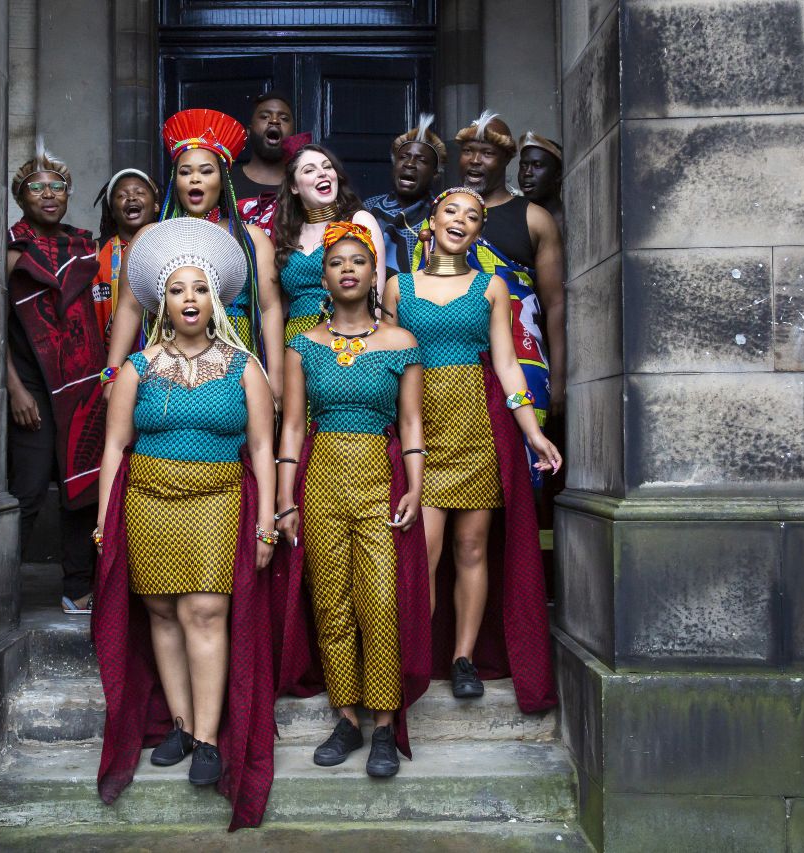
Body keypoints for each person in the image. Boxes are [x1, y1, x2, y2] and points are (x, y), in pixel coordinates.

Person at [92, 217, 276, 830]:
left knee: (205, 611)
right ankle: (176, 722)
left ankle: (206, 738)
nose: (189, 299)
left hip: (218, 498)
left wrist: (267, 525)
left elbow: (260, 448)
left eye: (199, 289)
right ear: (162, 303)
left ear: (215, 299)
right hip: (146, 499)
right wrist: (103, 522)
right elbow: (115, 447)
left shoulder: (245, 366)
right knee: (163, 612)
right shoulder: (138, 369)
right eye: (177, 290)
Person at [384, 187, 560, 713]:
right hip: (419, 429)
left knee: (473, 549)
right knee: (424, 550)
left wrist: (532, 432)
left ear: (480, 232)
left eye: (473, 216)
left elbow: (507, 365)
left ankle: (462, 658)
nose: (461, 219)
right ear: (431, 221)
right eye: (451, 211)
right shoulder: (397, 287)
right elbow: (386, 359)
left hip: (475, 427)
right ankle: (413, 655)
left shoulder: (492, 287)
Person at [275, 221, 430, 778]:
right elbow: (292, 427)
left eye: (357, 261)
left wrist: (415, 485)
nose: (347, 268)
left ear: (373, 274)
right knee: (332, 602)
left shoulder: (401, 343)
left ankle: (384, 724)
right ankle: (345, 718)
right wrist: (286, 500)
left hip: (379, 474)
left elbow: (412, 423)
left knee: (380, 602)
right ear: (324, 276)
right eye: (336, 261)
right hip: (319, 478)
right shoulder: (303, 344)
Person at [104, 108, 284, 404]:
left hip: (236, 360)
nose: (195, 179)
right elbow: (130, 307)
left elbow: (269, 308)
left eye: (206, 171)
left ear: (223, 179)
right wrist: (112, 374)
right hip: (166, 358)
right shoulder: (150, 237)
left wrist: (274, 377)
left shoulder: (251, 239)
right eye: (185, 172)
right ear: (176, 181)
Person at [5, 146, 105, 616]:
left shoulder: (85, 246)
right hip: (32, 384)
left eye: (57, 187)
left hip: (81, 384)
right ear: (21, 197)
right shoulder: (10, 251)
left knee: (81, 486)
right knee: (27, 491)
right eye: (37, 188)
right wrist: (15, 389)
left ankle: (77, 586)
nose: (49, 195)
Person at [453, 110, 566, 421]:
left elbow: (555, 303)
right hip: (454, 364)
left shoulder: (534, 219)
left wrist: (558, 379)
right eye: (468, 152)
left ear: (506, 160)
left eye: (487, 153)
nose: (475, 160)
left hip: (523, 359)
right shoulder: (441, 219)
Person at [274, 144, 386, 344]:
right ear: (294, 187)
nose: (322, 173)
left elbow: (375, 297)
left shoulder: (358, 221)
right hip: (295, 343)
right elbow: (280, 308)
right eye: (309, 170)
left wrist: (370, 346)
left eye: (327, 167)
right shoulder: (288, 235)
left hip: (346, 339)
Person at [364, 113, 446, 278]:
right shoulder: (368, 208)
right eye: (403, 157)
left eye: (421, 160)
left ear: (435, 173)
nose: (409, 164)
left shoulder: (441, 214)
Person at [91, 168, 160, 344]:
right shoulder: (96, 251)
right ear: (113, 211)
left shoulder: (170, 247)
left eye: (140, 192)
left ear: (156, 206)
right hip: (106, 356)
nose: (131, 198)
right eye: (122, 195)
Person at [230, 91, 306, 237]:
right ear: (249, 131)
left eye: (284, 118)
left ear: (293, 134)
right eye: (265, 117)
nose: (275, 121)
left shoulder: (304, 182)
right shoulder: (226, 182)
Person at [517, 131, 563, 234]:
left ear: (558, 174)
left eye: (537, 165)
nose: (527, 173)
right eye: (523, 166)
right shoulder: (513, 220)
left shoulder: (572, 221)